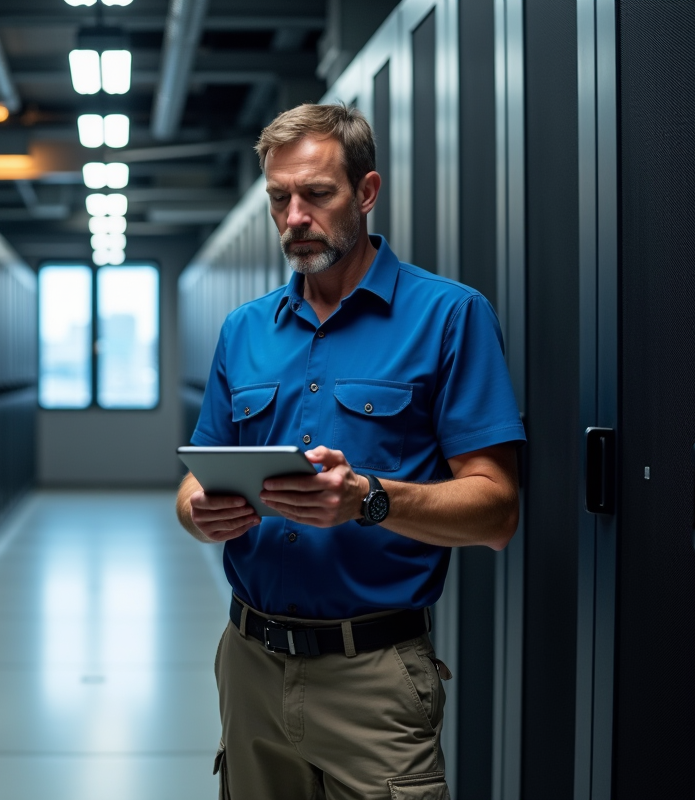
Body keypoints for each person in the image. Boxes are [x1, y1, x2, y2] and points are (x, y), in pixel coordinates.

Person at [175, 103, 524, 800]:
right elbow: (192, 485)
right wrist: (199, 513)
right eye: (280, 198)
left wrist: (367, 498)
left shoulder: (449, 315)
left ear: (366, 192)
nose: (295, 217)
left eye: (317, 195)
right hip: (248, 664)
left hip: (374, 676)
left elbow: (496, 512)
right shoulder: (245, 330)